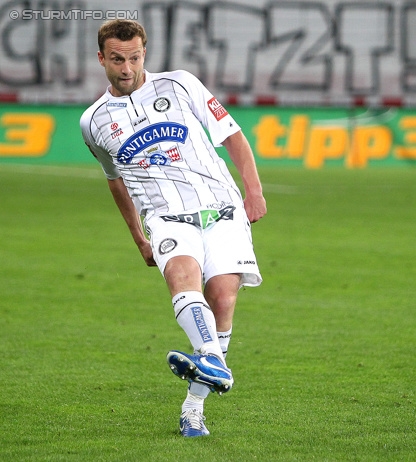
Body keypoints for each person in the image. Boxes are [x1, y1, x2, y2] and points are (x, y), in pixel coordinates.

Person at [80, 19, 266, 438]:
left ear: (144, 53)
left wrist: (253, 191)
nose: (127, 68)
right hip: (165, 217)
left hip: (222, 207)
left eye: (134, 57)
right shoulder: (93, 122)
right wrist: (138, 237)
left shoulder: (181, 84)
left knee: (222, 298)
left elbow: (232, 135)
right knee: (185, 281)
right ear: (101, 59)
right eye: (117, 59)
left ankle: (193, 404)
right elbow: (116, 181)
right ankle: (213, 362)